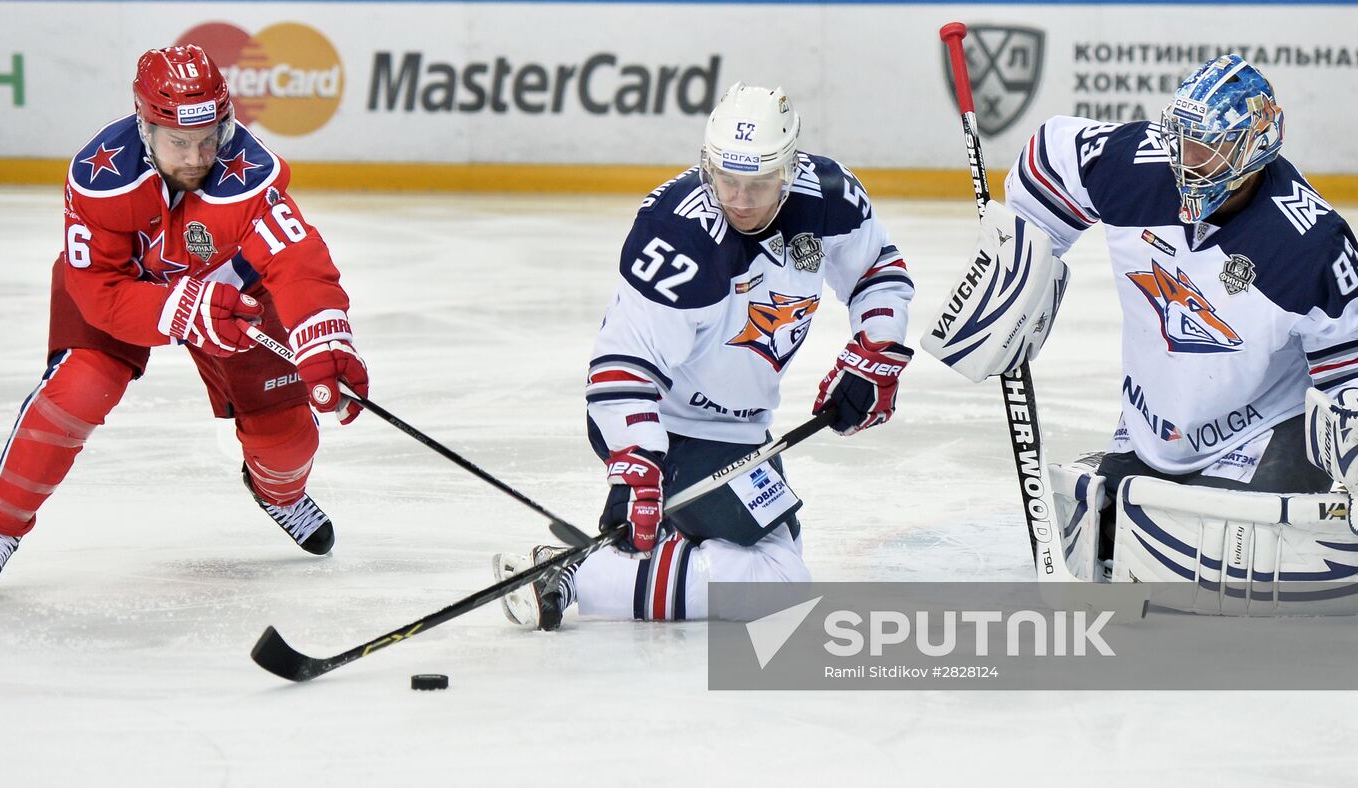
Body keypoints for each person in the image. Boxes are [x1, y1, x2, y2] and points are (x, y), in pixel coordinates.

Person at [492, 82, 915, 629]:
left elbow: (877, 270)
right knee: (777, 585)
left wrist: (875, 350)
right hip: (669, 426)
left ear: (789, 170)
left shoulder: (826, 196)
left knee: (776, 554)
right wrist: (639, 464)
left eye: (759, 183)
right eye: (726, 180)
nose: (739, 199)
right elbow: (623, 363)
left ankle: (626, 555)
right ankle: (569, 575)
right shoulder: (679, 235)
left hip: (743, 433)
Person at [0, 45, 370, 592]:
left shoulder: (250, 174)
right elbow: (99, 289)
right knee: (80, 390)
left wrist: (324, 338)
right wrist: (177, 308)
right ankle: (0, 525)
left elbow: (297, 258)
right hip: (123, 289)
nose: (198, 157)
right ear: (144, 125)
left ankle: (280, 493)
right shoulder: (99, 176)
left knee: (287, 438)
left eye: (209, 138)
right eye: (179, 142)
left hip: (230, 292)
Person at [942, 53, 1358, 577]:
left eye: (1205, 149)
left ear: (1251, 151)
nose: (1184, 161)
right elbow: (1050, 154)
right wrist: (1022, 266)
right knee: (1108, 540)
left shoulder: (1310, 245)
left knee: (1214, 555)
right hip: (1152, 425)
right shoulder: (1139, 167)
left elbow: (1349, 374)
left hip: (1262, 428)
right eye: (1180, 140)